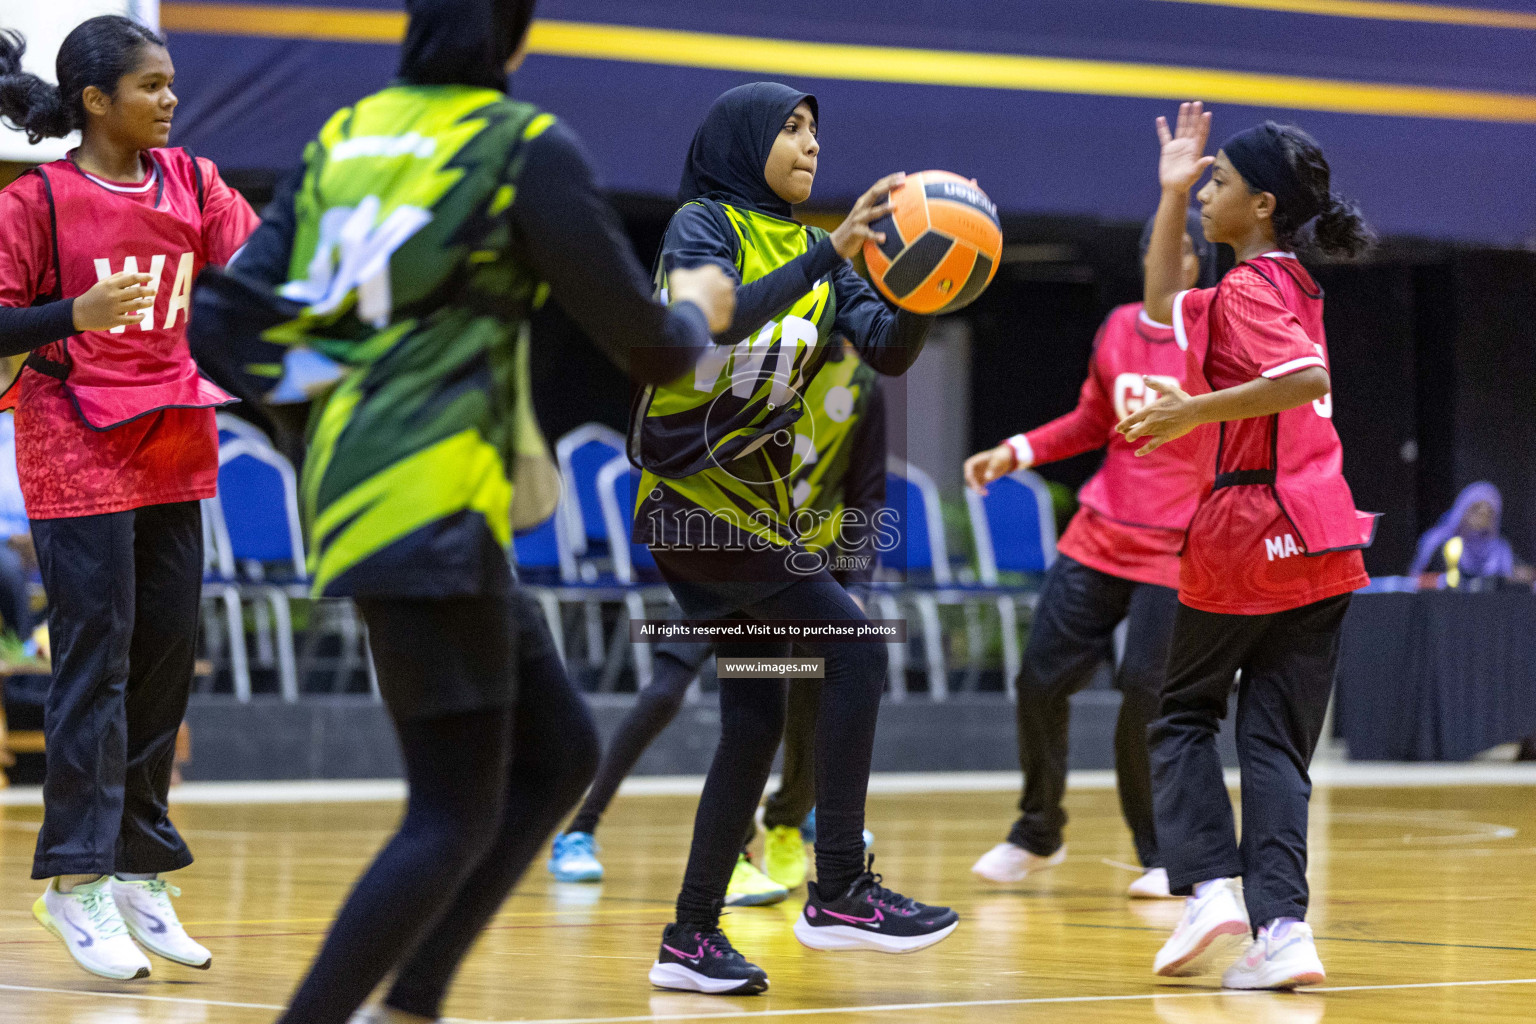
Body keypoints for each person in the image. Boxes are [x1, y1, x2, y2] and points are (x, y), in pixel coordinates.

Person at [187, 0, 732, 1019]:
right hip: (427, 500)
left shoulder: (341, 138)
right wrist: (701, 301)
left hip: (382, 498)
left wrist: (328, 401)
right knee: (450, 808)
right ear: (516, 37)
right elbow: (658, 352)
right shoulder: (518, 145)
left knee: (560, 752)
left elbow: (219, 319)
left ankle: (415, 999)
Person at [633, 82, 955, 997]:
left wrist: (932, 280)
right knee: (855, 650)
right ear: (745, 138)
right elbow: (707, 327)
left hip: (750, 514)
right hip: (693, 504)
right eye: (791, 126)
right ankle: (842, 885)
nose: (811, 143)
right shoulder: (704, 226)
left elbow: (886, 348)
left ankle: (690, 937)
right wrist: (828, 253)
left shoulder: (823, 250)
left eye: (816, 129)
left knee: (756, 718)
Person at [0, 16, 259, 981]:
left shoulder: (192, 182)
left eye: (172, 83)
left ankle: (141, 864)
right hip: (75, 444)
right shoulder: (37, 201)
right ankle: (74, 882)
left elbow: (265, 271)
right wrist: (71, 314)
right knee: (95, 662)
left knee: (161, 661)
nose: (170, 100)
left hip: (174, 438)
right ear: (96, 100)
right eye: (150, 86)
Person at [1117, 102, 1377, 990]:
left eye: (1217, 181)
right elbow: (1158, 301)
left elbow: (1304, 378)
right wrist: (1168, 193)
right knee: (1272, 746)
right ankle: (1284, 933)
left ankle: (1213, 886)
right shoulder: (1287, 283)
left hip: (1254, 527)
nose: (1204, 194)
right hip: (1327, 538)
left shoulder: (1255, 287)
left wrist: (1192, 411)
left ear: (1262, 204)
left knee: (1182, 713)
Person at [551, 342, 885, 906]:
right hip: (730, 547)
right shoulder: (767, 353)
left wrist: (855, 584)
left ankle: (783, 823)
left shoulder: (862, 384)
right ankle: (580, 829)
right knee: (666, 690)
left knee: (792, 697)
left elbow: (867, 494)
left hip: (798, 566)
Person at [964, 211, 1216, 899]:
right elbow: (1090, 422)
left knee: (1147, 692)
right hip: (1101, 532)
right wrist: (1016, 450)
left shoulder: (1221, 338)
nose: (1177, 261)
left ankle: (1160, 852)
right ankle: (1037, 831)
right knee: (1039, 678)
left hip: (1177, 547)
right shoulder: (1116, 329)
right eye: (1168, 249)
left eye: (1190, 251)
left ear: (1199, 265)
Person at [1408, 482, 1534, 587]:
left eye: (1489, 512)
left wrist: (1517, 577)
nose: (1482, 515)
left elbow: (1524, 574)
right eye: (1476, 509)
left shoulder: (1500, 550)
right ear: (1462, 509)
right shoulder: (1440, 543)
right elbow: (1416, 580)